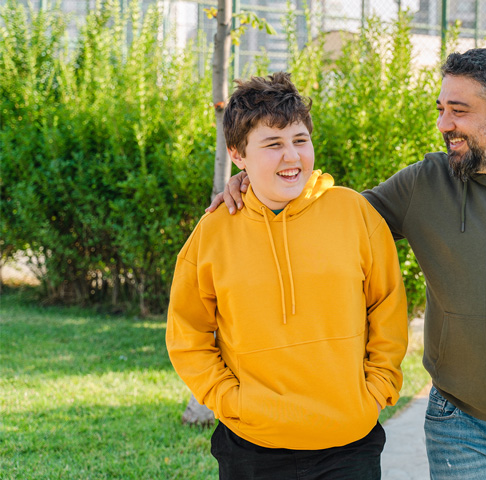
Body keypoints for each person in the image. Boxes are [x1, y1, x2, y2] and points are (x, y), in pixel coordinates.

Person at [210, 49, 486, 479]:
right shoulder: (426, 182)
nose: (445, 125)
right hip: (461, 425)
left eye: (458, 111)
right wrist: (256, 183)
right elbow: (335, 222)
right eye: (441, 109)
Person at [167, 72, 409, 480]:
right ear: (238, 154)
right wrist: (228, 399)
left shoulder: (353, 213)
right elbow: (187, 333)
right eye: (273, 144)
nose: (292, 157)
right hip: (252, 445)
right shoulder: (214, 232)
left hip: (349, 441)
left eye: (300, 140)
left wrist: (377, 386)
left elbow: (387, 305)